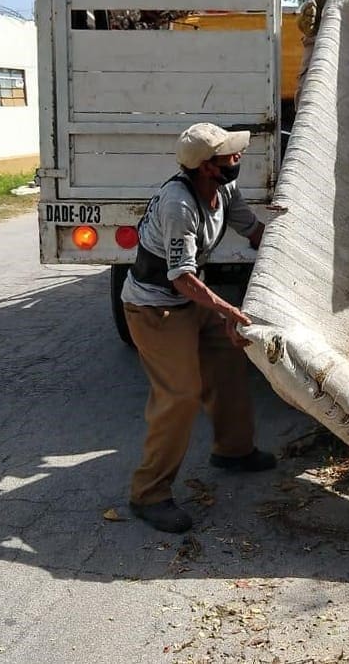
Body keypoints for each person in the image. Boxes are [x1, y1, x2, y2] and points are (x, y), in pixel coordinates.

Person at [121, 122, 275, 533]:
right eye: (229, 155)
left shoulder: (223, 190)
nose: (238, 158)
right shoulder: (179, 204)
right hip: (154, 309)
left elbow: (254, 230)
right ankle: (148, 494)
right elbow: (180, 278)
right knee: (181, 395)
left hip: (188, 299)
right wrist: (227, 309)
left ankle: (233, 451)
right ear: (207, 167)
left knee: (229, 359)